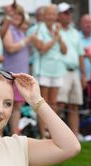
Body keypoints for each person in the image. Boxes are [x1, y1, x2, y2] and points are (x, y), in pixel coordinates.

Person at [2, 3, 37, 135]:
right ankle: (1, 134)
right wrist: (28, 40)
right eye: (14, 14)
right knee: (6, 105)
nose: (17, 17)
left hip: (20, 75)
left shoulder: (20, 31)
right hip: (9, 75)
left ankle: (14, 134)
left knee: (17, 107)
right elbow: (10, 48)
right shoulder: (9, 30)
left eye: (19, 14)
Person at [34, 4, 67, 138]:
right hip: (43, 70)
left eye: (53, 14)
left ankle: (52, 132)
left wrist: (59, 37)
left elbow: (65, 51)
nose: (51, 17)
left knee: (54, 103)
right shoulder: (38, 29)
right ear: (44, 15)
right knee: (43, 103)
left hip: (56, 70)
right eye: (49, 14)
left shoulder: (57, 29)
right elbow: (42, 48)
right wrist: (55, 38)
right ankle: (42, 133)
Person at [56, 2, 86, 138]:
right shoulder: (55, 30)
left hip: (75, 72)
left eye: (70, 13)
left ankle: (74, 135)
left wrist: (83, 75)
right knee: (60, 104)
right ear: (59, 15)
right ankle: (56, 134)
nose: (69, 15)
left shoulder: (75, 32)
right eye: (65, 13)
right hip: (61, 70)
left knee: (75, 104)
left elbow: (80, 55)